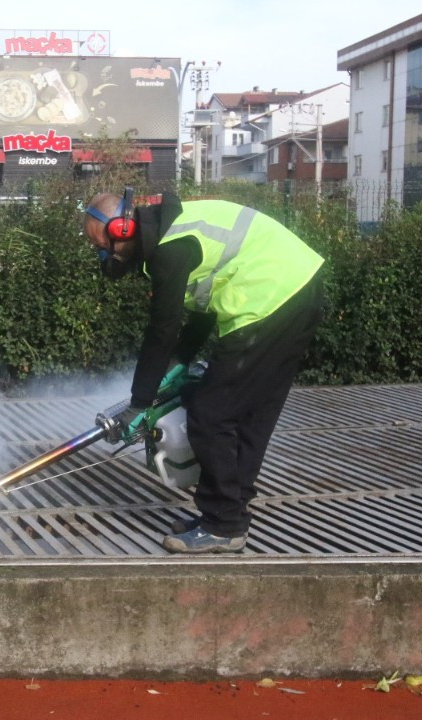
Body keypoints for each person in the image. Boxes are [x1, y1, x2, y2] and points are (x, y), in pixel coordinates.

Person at [83, 188, 324, 553]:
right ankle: (230, 511)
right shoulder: (173, 229)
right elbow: (200, 310)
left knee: (211, 412)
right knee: (251, 412)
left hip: (269, 300)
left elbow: (160, 330)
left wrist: (140, 402)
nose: (105, 257)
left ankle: (223, 524)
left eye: (104, 246)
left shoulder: (170, 248)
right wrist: (181, 362)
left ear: (122, 229)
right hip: (298, 289)